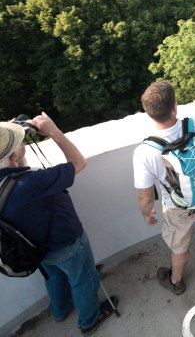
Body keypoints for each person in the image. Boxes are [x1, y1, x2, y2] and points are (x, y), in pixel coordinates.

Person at [0, 114, 117, 335]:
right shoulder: (32, 184)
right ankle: (89, 320)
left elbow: (16, 171)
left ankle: (60, 311)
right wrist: (53, 131)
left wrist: (12, 141)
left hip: (34, 249)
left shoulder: (14, 181)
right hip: (65, 241)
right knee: (83, 278)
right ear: (14, 155)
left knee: (53, 277)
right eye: (18, 142)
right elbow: (78, 163)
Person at [133, 80, 195, 297]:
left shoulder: (145, 151)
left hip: (177, 203)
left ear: (148, 113)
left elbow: (146, 196)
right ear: (174, 106)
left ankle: (176, 281)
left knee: (179, 244)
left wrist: (147, 214)